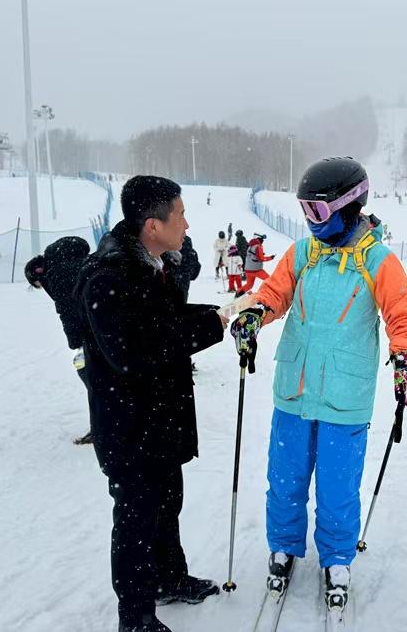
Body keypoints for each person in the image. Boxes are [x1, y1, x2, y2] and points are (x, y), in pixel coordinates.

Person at [229, 156, 407, 613]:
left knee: (338, 488)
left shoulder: (378, 260)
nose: (310, 221)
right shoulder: (302, 254)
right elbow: (273, 294)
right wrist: (255, 314)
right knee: (285, 479)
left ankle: (337, 558)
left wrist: (404, 359)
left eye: (317, 210)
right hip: (294, 390)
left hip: (344, 396)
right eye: (304, 210)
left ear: (348, 206)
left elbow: (401, 316)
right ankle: (284, 547)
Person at [75, 176, 228, 632]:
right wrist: (211, 327)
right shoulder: (108, 276)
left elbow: (164, 318)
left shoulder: (153, 264)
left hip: (159, 420)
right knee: (136, 520)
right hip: (129, 428)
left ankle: (169, 578)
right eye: (180, 214)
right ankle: (136, 616)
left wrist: (219, 314)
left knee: (166, 505)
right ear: (152, 225)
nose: (187, 224)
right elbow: (132, 351)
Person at [24, 236, 93, 444]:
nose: (42, 287)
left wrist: (75, 342)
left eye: (38, 284)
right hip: (105, 323)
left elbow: (67, 310)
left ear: (37, 273)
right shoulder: (82, 261)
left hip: (91, 331)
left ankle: (103, 426)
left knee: (90, 375)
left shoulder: (55, 274)